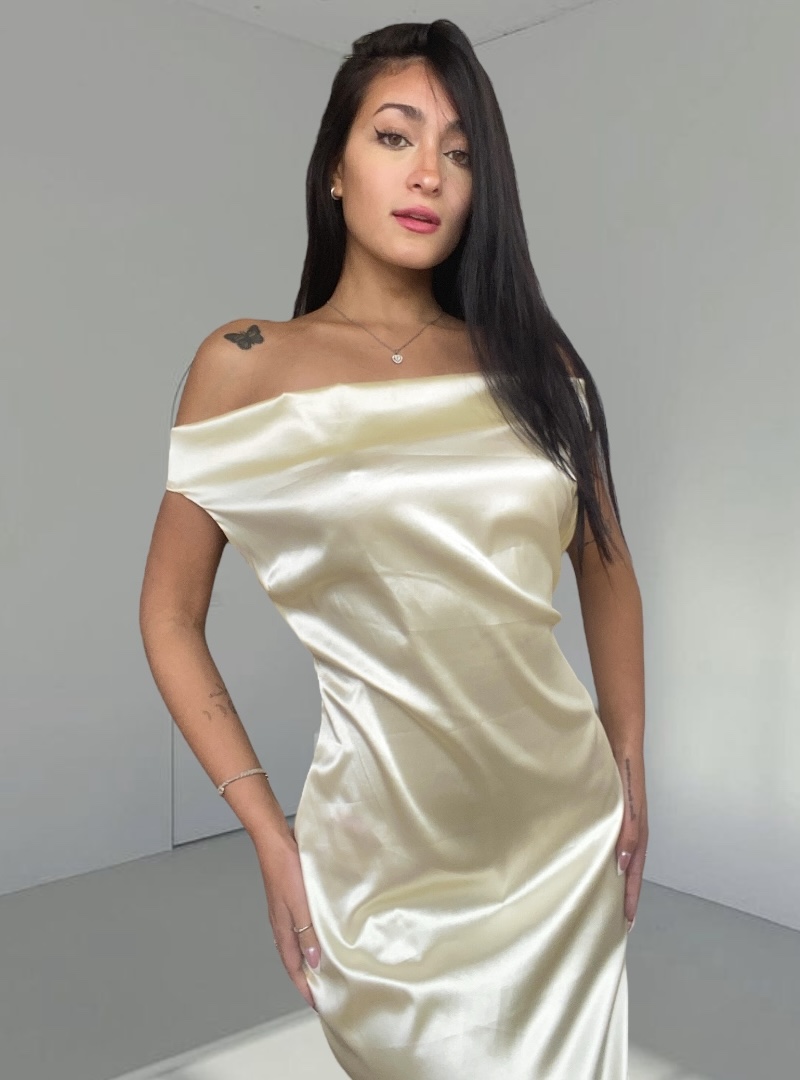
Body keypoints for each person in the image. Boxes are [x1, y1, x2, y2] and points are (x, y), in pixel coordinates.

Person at [139, 18, 647, 1080]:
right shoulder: (245, 366)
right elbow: (169, 614)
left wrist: (629, 763)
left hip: (561, 838)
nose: (429, 175)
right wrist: (267, 832)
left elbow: (605, 563)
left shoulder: (533, 361)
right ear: (335, 166)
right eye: (395, 137)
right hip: (383, 871)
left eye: (460, 153)